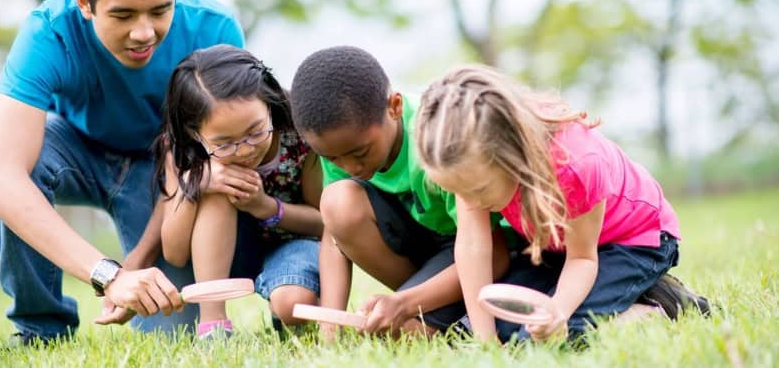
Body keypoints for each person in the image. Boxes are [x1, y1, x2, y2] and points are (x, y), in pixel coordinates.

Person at [0, 0, 245, 346]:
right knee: (3, 164)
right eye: (123, 16)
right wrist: (109, 275)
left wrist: (137, 260)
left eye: (160, 10)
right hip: (77, 150)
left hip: (164, 170)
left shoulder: (213, 29)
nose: (144, 33)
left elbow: (207, 157)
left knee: (170, 332)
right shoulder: (48, 33)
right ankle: (39, 329)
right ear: (84, 2)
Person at [414, 65, 710, 343]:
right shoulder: (470, 163)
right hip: (563, 247)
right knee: (500, 326)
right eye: (457, 191)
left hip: (634, 242)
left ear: (511, 156)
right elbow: (472, 247)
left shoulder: (576, 165)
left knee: (550, 337)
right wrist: (486, 340)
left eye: (477, 190)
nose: (469, 202)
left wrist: (558, 312)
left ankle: (662, 307)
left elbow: (583, 258)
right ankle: (621, 293)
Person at [289, 46, 514, 339]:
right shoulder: (340, 147)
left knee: (400, 331)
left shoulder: (439, 136)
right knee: (336, 204)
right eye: (333, 159)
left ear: (393, 107)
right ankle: (430, 308)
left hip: (483, 254)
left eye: (360, 152)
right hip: (427, 254)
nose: (350, 167)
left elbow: (494, 254)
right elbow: (334, 237)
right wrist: (329, 331)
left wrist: (406, 303)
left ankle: (439, 311)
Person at [156, 45, 323, 338]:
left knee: (293, 305)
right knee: (218, 187)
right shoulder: (181, 151)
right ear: (195, 133)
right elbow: (175, 252)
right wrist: (197, 182)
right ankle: (214, 327)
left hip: (294, 245)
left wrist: (267, 207)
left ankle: (283, 311)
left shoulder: (298, 134)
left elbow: (324, 222)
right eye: (224, 143)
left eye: (256, 131)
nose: (245, 149)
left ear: (268, 105)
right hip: (227, 253)